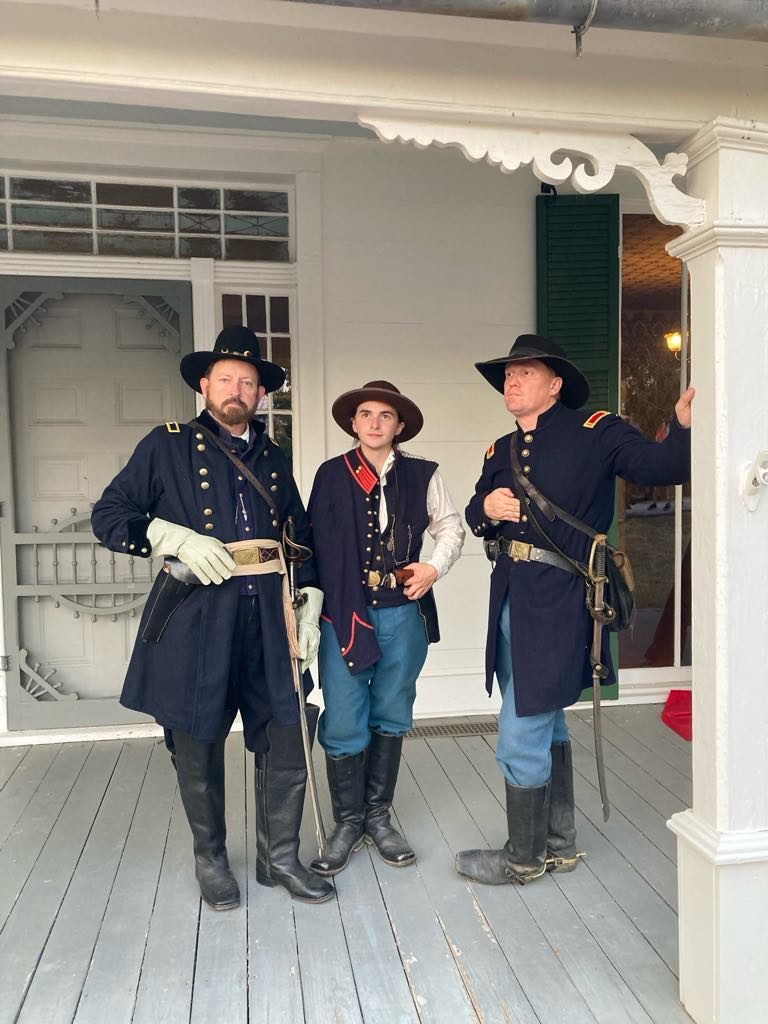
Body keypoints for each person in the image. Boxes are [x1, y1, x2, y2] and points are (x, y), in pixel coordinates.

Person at [91, 325, 333, 909]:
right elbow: (110, 515)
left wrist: (312, 596)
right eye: (226, 378)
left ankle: (280, 858)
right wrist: (166, 533)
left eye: (248, 382)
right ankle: (212, 860)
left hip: (270, 617)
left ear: (259, 394)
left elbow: (298, 537)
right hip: (200, 613)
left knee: (286, 733)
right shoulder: (166, 443)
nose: (237, 389)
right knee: (196, 740)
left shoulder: (273, 456)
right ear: (205, 385)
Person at [456, 335, 694, 885]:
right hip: (512, 600)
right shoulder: (500, 449)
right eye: (508, 375)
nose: (511, 382)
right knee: (546, 718)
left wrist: (680, 428)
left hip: (563, 600)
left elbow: (662, 466)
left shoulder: (597, 432)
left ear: (555, 384)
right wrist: (485, 507)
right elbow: (474, 513)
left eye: (524, 373)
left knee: (521, 728)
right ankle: (558, 841)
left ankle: (522, 857)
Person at [307, 381, 464, 875]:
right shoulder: (331, 475)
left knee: (392, 710)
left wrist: (434, 568)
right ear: (353, 423)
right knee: (344, 714)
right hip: (344, 610)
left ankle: (378, 816)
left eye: (385, 416)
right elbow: (311, 545)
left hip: (403, 609)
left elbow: (451, 528)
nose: (375, 422)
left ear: (399, 426)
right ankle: (347, 822)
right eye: (366, 414)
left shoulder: (424, 474)